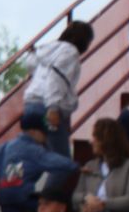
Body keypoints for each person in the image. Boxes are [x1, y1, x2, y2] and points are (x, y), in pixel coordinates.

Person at [0, 106, 78, 212]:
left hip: (5, 195)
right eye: (44, 133)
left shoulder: (5, 147)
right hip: (25, 195)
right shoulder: (35, 149)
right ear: (35, 131)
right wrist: (76, 166)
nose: (45, 137)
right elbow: (53, 161)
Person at [26, 20, 95, 153]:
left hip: (31, 104)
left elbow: (32, 65)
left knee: (40, 159)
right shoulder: (70, 52)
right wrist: (53, 108)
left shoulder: (47, 49)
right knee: (62, 163)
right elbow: (57, 78)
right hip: (46, 109)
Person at [72, 118, 129, 212]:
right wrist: (86, 199)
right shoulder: (90, 165)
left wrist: (102, 205)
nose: (91, 141)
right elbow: (75, 197)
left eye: (95, 137)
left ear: (107, 140)